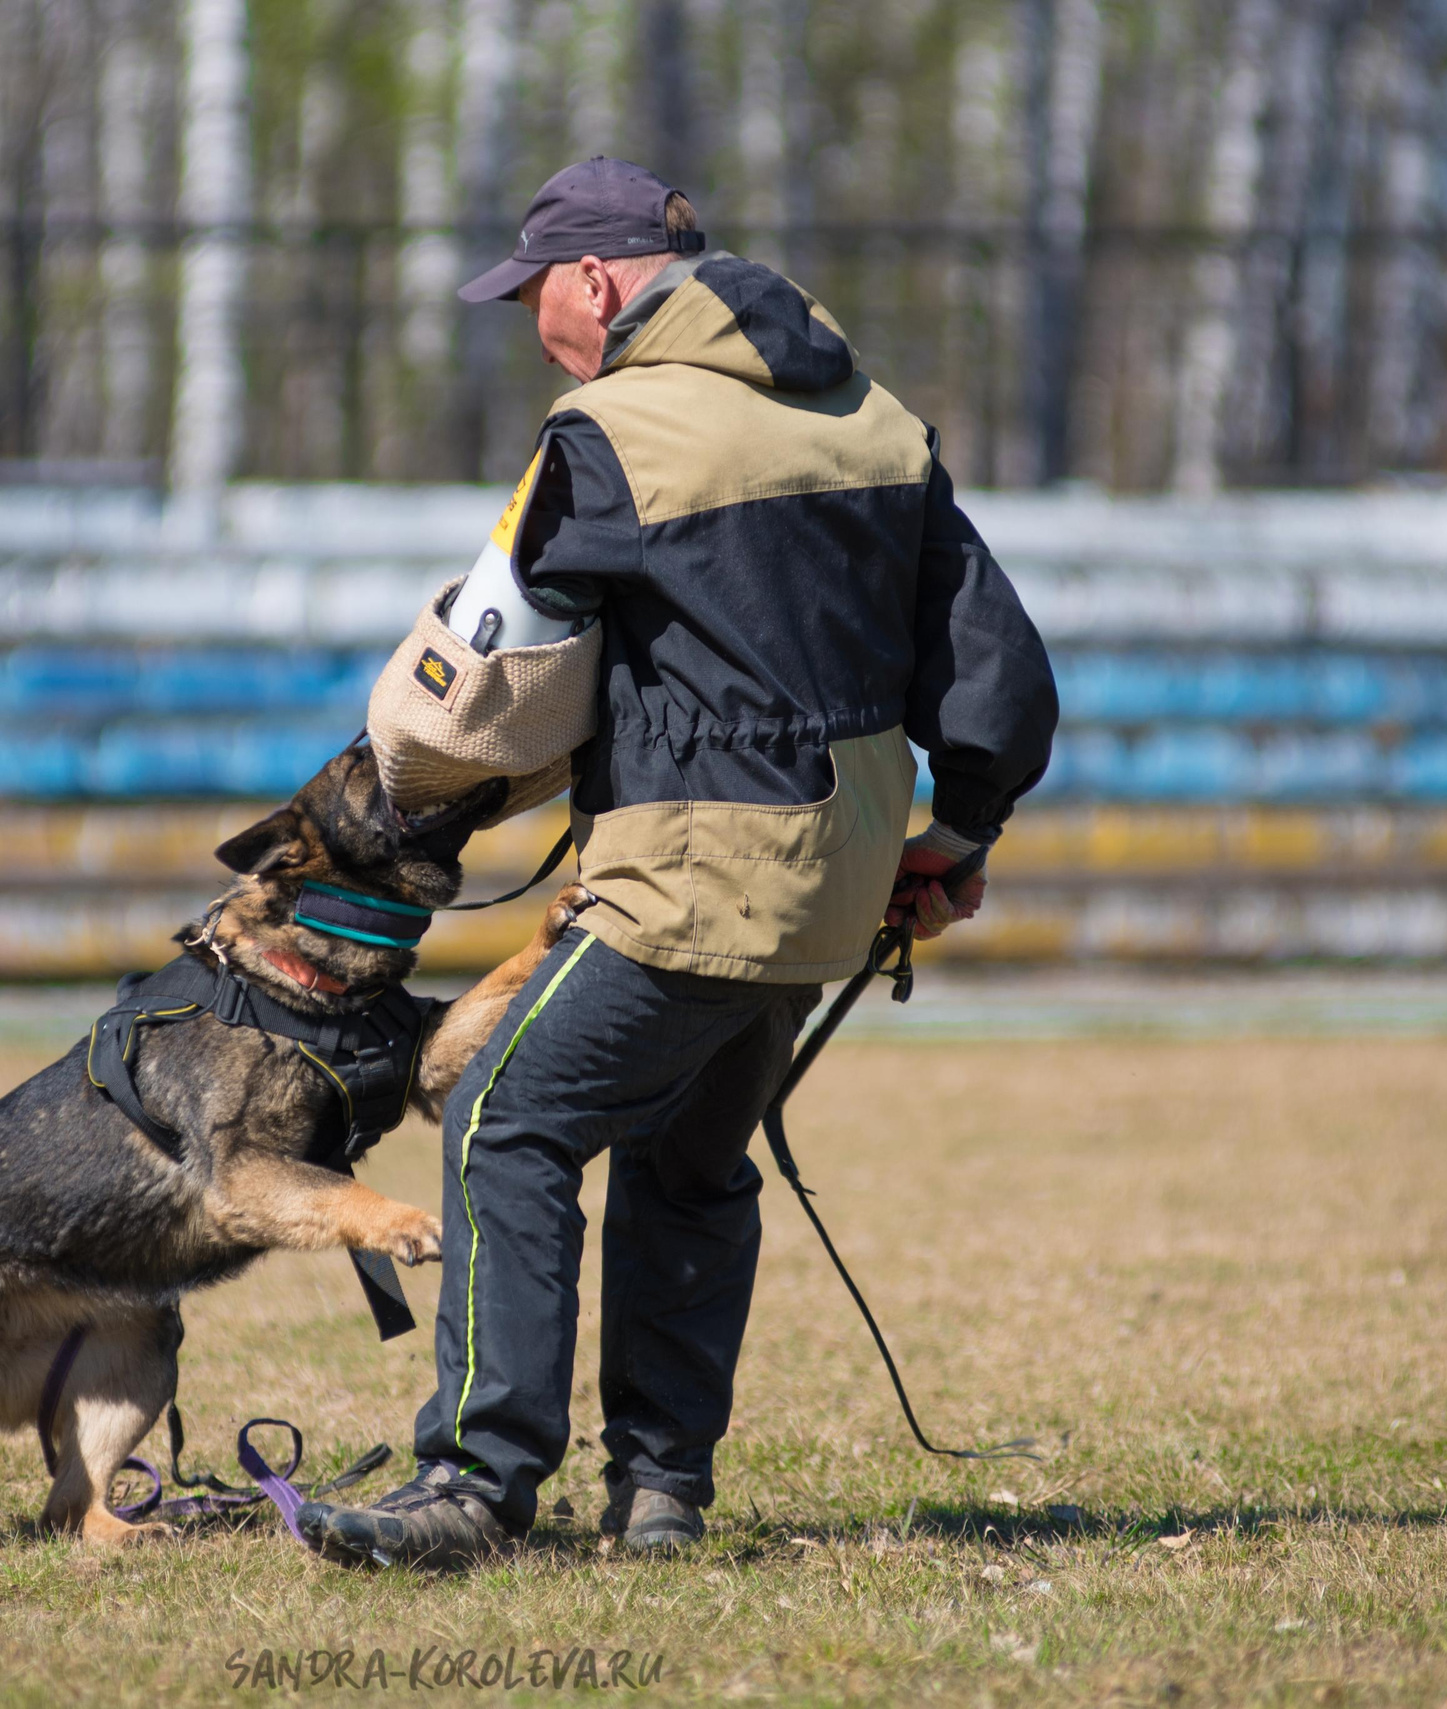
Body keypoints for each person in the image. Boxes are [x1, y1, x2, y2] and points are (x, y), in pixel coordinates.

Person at [294, 157, 1060, 1571]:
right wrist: (955, 836)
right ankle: (661, 1492)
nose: (534, 323)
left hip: (687, 880)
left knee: (505, 1124)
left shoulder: (606, 435)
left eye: (534, 294)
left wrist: (409, 802)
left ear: (594, 279)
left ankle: (477, 1477)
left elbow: (479, 675)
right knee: (690, 1162)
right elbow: (999, 673)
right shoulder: (877, 421)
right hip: (832, 892)